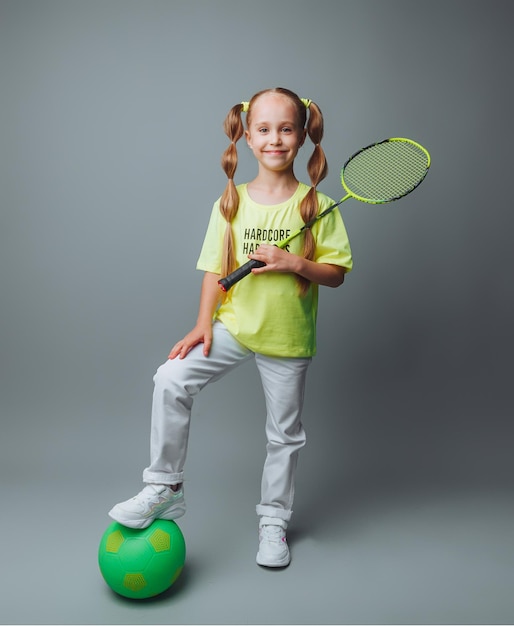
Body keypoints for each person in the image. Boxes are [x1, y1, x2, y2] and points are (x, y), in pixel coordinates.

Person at [109, 87, 353, 568]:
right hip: (234, 326)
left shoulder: (316, 205)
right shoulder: (231, 203)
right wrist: (203, 324)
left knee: (284, 435)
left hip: (287, 339)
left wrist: (292, 262)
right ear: (246, 135)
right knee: (170, 378)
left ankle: (273, 521)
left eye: (286, 129)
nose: (275, 140)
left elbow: (337, 274)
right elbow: (212, 269)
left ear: (303, 136)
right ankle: (164, 486)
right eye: (264, 130)